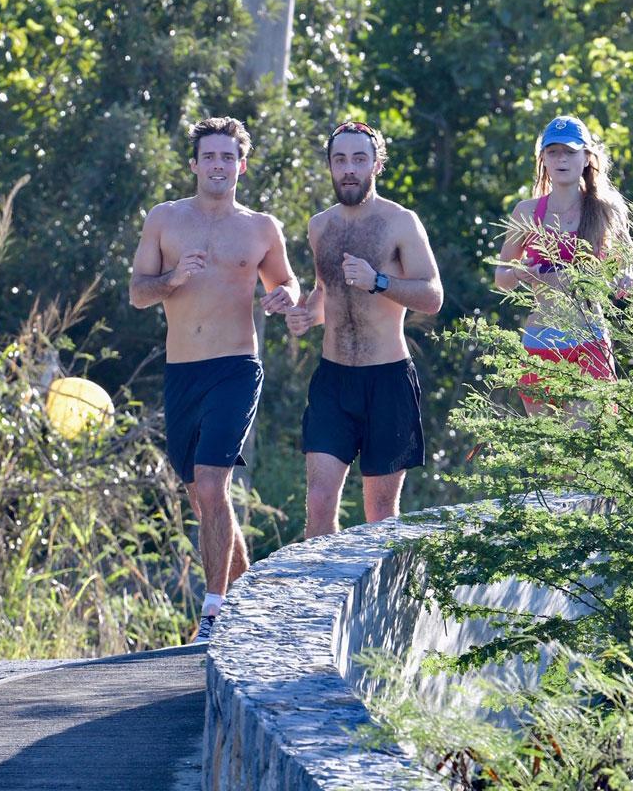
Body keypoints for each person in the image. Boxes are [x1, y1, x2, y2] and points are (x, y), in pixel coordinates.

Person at [129, 116, 299, 640]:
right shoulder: (164, 220)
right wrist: (173, 278)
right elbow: (138, 291)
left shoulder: (260, 228)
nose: (219, 165)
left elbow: (287, 281)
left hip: (235, 367)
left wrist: (285, 296)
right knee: (201, 498)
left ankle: (213, 614)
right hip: (182, 371)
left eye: (228, 157)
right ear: (195, 164)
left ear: (241, 166)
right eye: (210, 156)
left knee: (212, 484)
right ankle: (252, 604)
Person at [284, 121, 443, 538]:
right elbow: (325, 293)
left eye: (359, 159)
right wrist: (305, 315)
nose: (349, 169)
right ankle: (316, 599)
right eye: (340, 160)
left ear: (376, 164)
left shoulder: (400, 222)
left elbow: (432, 295)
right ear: (331, 167)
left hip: (387, 379)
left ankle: (386, 603)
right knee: (318, 503)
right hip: (333, 380)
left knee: (380, 512)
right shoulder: (320, 226)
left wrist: (380, 281)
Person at [494, 115, 633, 415]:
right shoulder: (527, 211)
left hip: (589, 338)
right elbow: (501, 275)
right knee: (548, 454)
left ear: (586, 158)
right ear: (543, 159)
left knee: (590, 446)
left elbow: (628, 256)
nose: (561, 159)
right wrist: (523, 273)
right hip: (540, 342)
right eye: (553, 151)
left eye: (570, 152)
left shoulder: (604, 208)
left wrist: (626, 276)